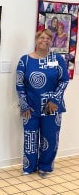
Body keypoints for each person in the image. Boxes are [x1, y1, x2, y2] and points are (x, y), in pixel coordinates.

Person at [16, 29, 69, 179]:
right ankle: (29, 167)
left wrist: (54, 100)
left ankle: (45, 167)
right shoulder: (25, 60)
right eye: (41, 37)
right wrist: (24, 104)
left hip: (52, 106)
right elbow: (19, 84)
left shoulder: (57, 59)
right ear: (36, 40)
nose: (44, 40)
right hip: (30, 107)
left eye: (48, 38)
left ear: (51, 41)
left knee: (50, 138)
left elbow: (64, 80)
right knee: (30, 137)